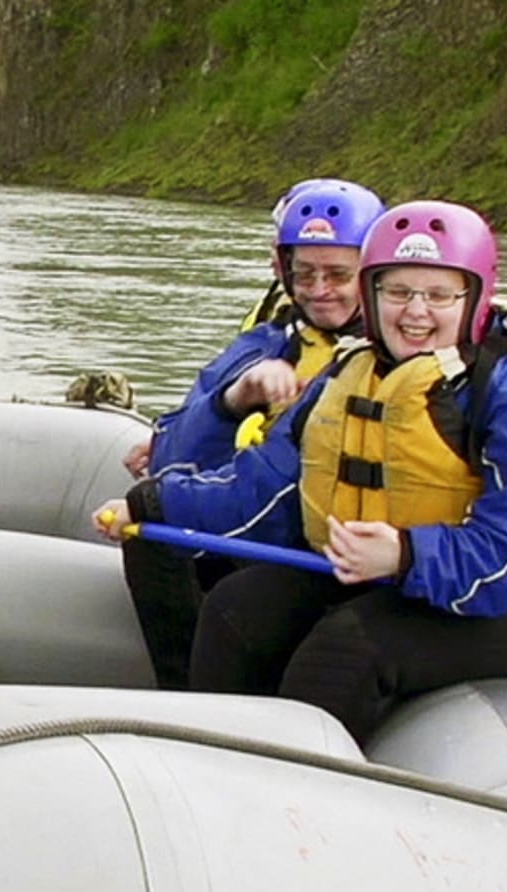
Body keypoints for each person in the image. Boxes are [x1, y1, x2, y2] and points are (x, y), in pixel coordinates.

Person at [96, 200, 507, 746]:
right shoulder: (351, 370)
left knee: (345, 652)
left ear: (473, 297)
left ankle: (299, 787)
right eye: (398, 291)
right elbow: (264, 489)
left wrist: (406, 555)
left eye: (438, 295)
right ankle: (206, 757)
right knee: (234, 609)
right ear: (373, 293)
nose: (415, 312)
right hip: (375, 571)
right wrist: (151, 504)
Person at [119, 179, 385, 688]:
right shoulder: (272, 339)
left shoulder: (390, 355)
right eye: (304, 273)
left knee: (229, 593)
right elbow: (171, 455)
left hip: (343, 549)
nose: (319, 289)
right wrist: (232, 401)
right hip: (272, 524)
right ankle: (178, 690)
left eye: (338, 275)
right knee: (154, 536)